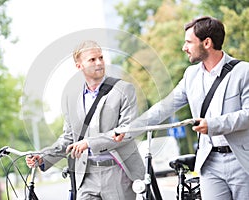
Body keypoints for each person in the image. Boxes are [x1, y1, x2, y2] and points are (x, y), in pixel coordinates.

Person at [114, 16, 249, 200]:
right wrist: (130, 128)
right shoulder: (191, 75)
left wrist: (213, 124)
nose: (184, 48)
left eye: (188, 42)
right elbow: (165, 107)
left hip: (241, 160)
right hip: (209, 163)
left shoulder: (243, 72)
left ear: (207, 43)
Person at [26, 40, 145, 200]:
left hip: (118, 173)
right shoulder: (71, 99)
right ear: (79, 66)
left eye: (101, 58)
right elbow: (69, 138)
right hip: (86, 176)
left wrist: (89, 143)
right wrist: (44, 157)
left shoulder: (123, 89)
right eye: (92, 60)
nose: (99, 63)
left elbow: (128, 131)